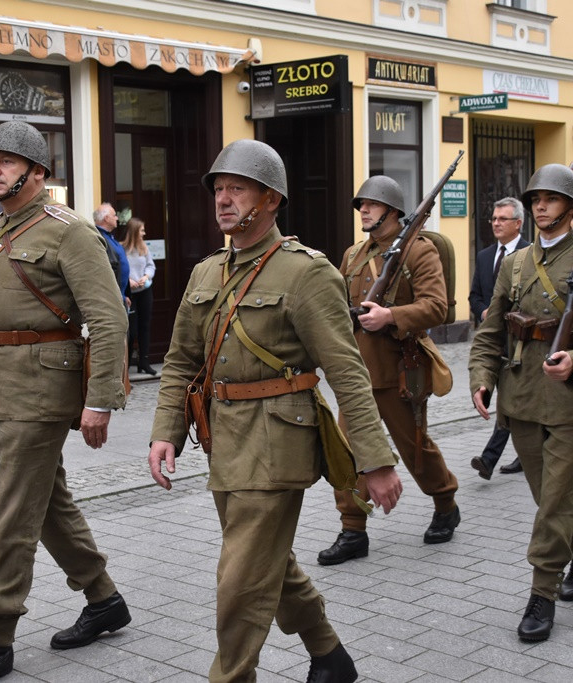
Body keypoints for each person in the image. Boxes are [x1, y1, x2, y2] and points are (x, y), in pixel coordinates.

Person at [147, 139, 402, 683]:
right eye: (218, 188)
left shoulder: (305, 272)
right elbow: (179, 362)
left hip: (277, 443)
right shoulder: (205, 273)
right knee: (266, 562)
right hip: (224, 442)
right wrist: (165, 430)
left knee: (239, 581)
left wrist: (374, 459)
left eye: (237, 188)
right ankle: (330, 656)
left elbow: (347, 371)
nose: (223, 199)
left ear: (270, 199)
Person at [0, 121, 131, 683]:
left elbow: (108, 317)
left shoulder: (68, 231)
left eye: (4, 160)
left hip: (44, 388)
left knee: (14, 512)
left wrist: (100, 401)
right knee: (46, 501)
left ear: (37, 172)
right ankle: (103, 599)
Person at [468, 164, 573, 642]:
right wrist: (481, 377)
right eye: (536, 198)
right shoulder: (515, 265)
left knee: (554, 501)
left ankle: (543, 592)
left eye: (552, 198)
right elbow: (491, 328)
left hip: (569, 399)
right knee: (549, 497)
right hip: (520, 395)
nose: (541, 205)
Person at [316, 175, 459, 566]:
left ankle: (445, 501)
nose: (363, 209)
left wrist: (391, 315)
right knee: (348, 453)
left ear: (393, 211)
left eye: (372, 204)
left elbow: (437, 306)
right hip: (357, 372)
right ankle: (352, 529)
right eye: (361, 204)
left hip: (400, 369)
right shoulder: (353, 254)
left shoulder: (419, 252)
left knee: (415, 449)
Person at [468, 197, 531, 480]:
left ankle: (491, 458)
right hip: (492, 338)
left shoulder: (531, 254)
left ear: (518, 223)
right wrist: (484, 313)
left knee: (510, 395)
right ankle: (523, 451)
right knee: (507, 394)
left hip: (521, 340)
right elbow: (475, 295)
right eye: (493, 218)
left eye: (502, 219)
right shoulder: (484, 256)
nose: (495, 223)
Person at [121, 217, 157, 375]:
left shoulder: (144, 248)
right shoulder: (122, 249)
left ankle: (144, 362)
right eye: (142, 230)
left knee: (145, 327)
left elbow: (151, 266)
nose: (144, 233)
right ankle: (127, 364)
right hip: (130, 294)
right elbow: (118, 269)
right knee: (132, 330)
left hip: (144, 291)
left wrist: (146, 277)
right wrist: (128, 281)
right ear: (135, 231)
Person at [94, 203, 131, 308]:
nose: (117, 218)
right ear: (106, 218)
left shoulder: (109, 237)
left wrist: (124, 295)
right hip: (111, 300)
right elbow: (108, 270)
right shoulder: (98, 238)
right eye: (114, 215)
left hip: (120, 297)